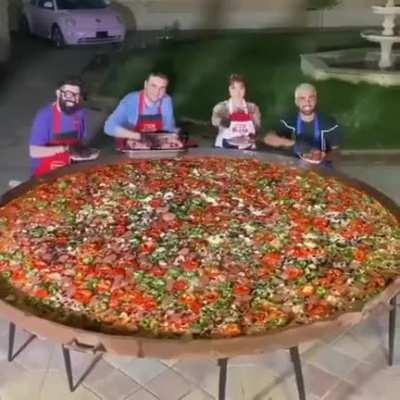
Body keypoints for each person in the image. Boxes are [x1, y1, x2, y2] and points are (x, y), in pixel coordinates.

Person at [264, 83, 342, 166]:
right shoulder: (288, 122)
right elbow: (268, 138)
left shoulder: (329, 123)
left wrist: (323, 157)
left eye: (311, 98)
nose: (307, 102)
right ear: (296, 102)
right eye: (302, 98)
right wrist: (295, 144)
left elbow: (336, 152)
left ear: (316, 100)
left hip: (322, 170)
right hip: (293, 169)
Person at [29, 76, 93, 177]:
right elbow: (34, 151)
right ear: (58, 93)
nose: (72, 99)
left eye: (76, 95)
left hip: (72, 169)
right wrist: (65, 148)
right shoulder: (45, 116)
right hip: (45, 174)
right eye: (68, 94)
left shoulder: (81, 113)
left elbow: (81, 140)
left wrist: (82, 151)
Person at [104, 72, 182, 150]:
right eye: (153, 86)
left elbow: (169, 129)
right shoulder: (131, 100)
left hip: (155, 147)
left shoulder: (166, 100)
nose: (157, 92)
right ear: (145, 84)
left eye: (162, 88)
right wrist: (140, 137)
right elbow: (109, 127)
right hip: (129, 149)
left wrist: (171, 139)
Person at [212, 74, 261, 150]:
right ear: (229, 89)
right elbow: (214, 120)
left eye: (241, 88)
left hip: (247, 148)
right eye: (233, 88)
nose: (237, 92)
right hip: (224, 148)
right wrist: (222, 121)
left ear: (245, 89)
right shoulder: (222, 107)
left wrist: (254, 134)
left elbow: (257, 126)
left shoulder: (253, 108)